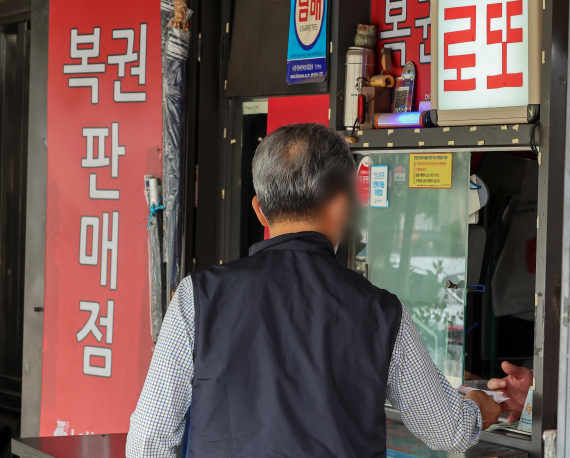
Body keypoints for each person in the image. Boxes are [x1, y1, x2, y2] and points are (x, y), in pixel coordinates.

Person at [126, 123, 501, 458]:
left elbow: (148, 441)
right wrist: (484, 406)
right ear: (341, 206)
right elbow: (446, 430)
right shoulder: (381, 311)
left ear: (260, 211)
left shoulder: (198, 298)